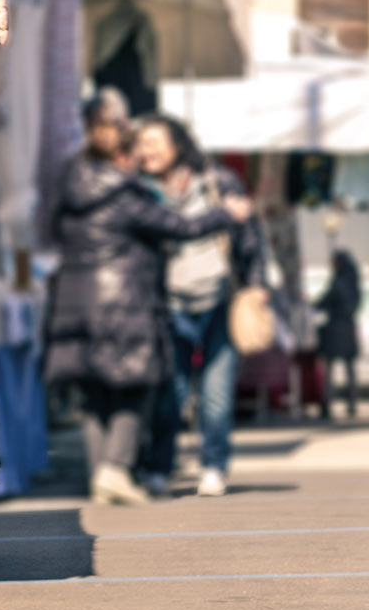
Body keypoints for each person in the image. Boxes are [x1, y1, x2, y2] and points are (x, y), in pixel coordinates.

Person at [43, 92, 245, 506]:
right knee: (136, 386)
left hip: (74, 302)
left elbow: (49, 232)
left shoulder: (72, 183)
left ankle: (101, 475)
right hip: (123, 303)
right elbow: (179, 226)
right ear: (120, 154)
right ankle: (115, 468)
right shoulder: (123, 193)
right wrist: (226, 213)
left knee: (96, 393)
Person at [131, 116, 261, 499]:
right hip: (167, 303)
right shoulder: (139, 190)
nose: (146, 150)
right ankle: (160, 466)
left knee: (217, 394)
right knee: (171, 393)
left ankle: (214, 466)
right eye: (142, 143)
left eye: (154, 141)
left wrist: (256, 283)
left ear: (178, 145)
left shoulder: (218, 182)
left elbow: (248, 235)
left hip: (220, 299)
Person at [316, 249, 361, 420]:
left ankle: (327, 404)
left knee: (329, 369)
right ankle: (351, 403)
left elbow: (327, 300)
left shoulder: (339, 281)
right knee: (349, 370)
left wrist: (315, 305)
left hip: (336, 328)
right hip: (348, 327)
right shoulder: (354, 280)